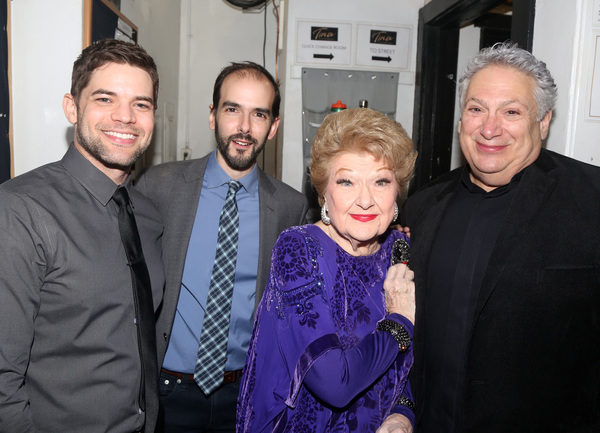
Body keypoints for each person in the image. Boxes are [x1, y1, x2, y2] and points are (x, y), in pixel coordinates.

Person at [382, 42, 600, 432]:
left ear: (544, 122)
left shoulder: (592, 199)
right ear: (461, 119)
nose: (489, 128)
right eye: (476, 108)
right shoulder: (422, 205)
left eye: (511, 112)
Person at [0, 39, 165, 432]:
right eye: (105, 99)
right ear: (72, 108)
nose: (125, 117)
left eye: (141, 104)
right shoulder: (20, 209)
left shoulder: (147, 214)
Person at [136, 61, 309, 432]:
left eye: (259, 114)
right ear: (213, 116)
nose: (244, 127)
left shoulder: (292, 208)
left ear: (273, 127)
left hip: (246, 394)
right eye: (232, 109)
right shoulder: (158, 187)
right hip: (167, 393)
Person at [237, 107, 419, 433]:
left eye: (380, 181)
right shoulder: (299, 250)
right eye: (347, 181)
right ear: (324, 192)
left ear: (397, 194)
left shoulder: (398, 250)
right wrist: (399, 320)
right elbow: (336, 383)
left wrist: (402, 415)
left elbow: (402, 366)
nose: (365, 200)